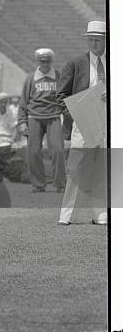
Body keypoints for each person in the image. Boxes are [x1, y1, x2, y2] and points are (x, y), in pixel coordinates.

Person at [57, 21, 107, 226]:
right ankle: (65, 215)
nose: (93, 43)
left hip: (105, 125)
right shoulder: (75, 63)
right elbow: (60, 96)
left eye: (97, 39)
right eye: (90, 39)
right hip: (82, 123)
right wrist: (75, 116)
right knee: (76, 169)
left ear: (106, 40)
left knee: (101, 170)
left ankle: (99, 214)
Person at [18, 48, 65, 193]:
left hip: (53, 116)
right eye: (42, 61)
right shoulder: (30, 77)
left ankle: (60, 183)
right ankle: (38, 184)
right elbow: (24, 101)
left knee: (57, 150)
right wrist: (21, 122)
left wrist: (69, 117)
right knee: (33, 152)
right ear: (37, 61)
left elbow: (64, 98)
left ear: (51, 61)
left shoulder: (58, 76)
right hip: (34, 117)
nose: (45, 63)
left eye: (47, 61)